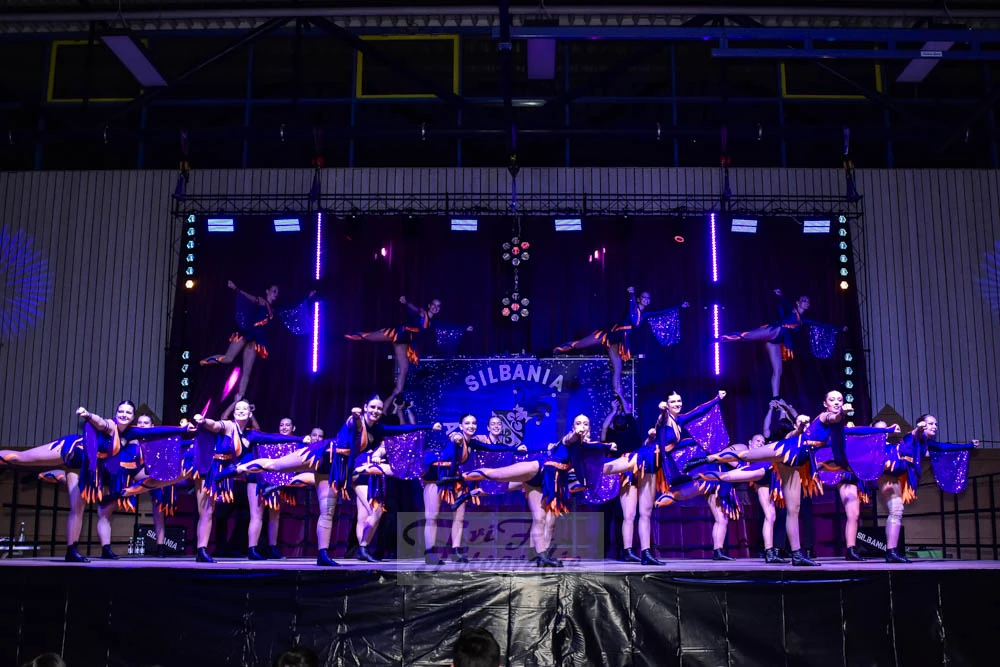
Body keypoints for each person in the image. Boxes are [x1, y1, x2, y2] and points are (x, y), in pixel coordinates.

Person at [458, 415, 616, 567]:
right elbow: (571, 439)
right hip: (536, 470)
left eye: (585, 424)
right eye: (578, 423)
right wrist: (577, 435)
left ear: (589, 428)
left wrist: (608, 446)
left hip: (544, 483)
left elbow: (594, 449)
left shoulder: (586, 446)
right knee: (496, 475)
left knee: (540, 518)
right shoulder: (569, 438)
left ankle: (541, 555)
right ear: (573, 427)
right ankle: (459, 478)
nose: (582, 426)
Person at [555, 286, 688, 406]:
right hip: (610, 334)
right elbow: (631, 306)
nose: (647, 300)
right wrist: (631, 293)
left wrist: (679, 306)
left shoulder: (645, 314)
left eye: (649, 298)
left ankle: (618, 399)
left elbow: (661, 312)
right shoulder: (633, 306)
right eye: (644, 297)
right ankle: (557, 349)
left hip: (619, 342)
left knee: (617, 370)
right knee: (579, 344)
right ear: (639, 299)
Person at [422, 413, 525, 565]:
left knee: (459, 517)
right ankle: (430, 553)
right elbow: (455, 438)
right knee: (432, 516)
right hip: (437, 476)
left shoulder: (473, 443)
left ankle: (456, 551)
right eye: (467, 423)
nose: (471, 426)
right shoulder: (457, 437)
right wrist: (456, 437)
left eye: (474, 423)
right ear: (461, 426)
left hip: (455, 479)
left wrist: (515, 448)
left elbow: (491, 447)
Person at [880, 414, 979, 563]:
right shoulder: (916, 435)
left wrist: (969, 446)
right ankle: (891, 552)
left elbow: (944, 447)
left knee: (895, 512)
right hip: (889, 468)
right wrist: (918, 429)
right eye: (931, 424)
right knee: (896, 510)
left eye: (936, 424)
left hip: (896, 473)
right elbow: (914, 434)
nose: (934, 427)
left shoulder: (926, 442)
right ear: (923, 424)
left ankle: (891, 551)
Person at [200, 280, 316, 404]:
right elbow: (250, 298)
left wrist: (307, 298)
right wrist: (236, 289)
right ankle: (204, 361)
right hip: (245, 334)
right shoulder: (262, 301)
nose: (276, 294)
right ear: (267, 291)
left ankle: (239, 397)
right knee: (228, 358)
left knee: (247, 370)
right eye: (274, 291)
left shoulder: (274, 309)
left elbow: (290, 308)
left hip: (255, 340)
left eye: (277, 292)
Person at [720, 289, 846, 399]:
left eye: (808, 301)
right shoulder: (793, 311)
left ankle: (775, 397)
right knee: (745, 336)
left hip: (776, 342)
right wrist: (780, 295)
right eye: (804, 300)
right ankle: (720, 339)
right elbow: (786, 303)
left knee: (778, 370)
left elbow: (821, 324)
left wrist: (840, 328)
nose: (807, 302)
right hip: (772, 331)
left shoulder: (803, 320)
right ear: (798, 303)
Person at [346, 296, 471, 407]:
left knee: (404, 369)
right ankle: (344, 335)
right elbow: (415, 309)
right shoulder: (423, 312)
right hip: (398, 333)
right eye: (434, 305)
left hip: (404, 342)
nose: (435, 307)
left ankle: (394, 395)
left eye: (438, 306)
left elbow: (446, 326)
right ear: (429, 305)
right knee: (368, 336)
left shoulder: (433, 323)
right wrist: (406, 302)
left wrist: (464, 328)